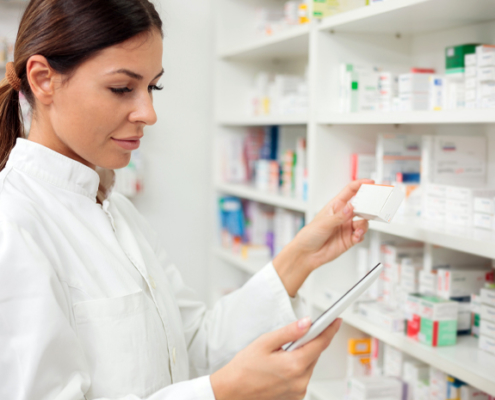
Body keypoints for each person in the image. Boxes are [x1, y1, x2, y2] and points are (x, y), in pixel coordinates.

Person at [0, 1, 371, 399]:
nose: (148, 112)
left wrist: (302, 256)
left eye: (152, 87)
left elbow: (194, 345)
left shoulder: (117, 212)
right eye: (122, 88)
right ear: (43, 79)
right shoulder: (13, 225)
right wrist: (223, 393)